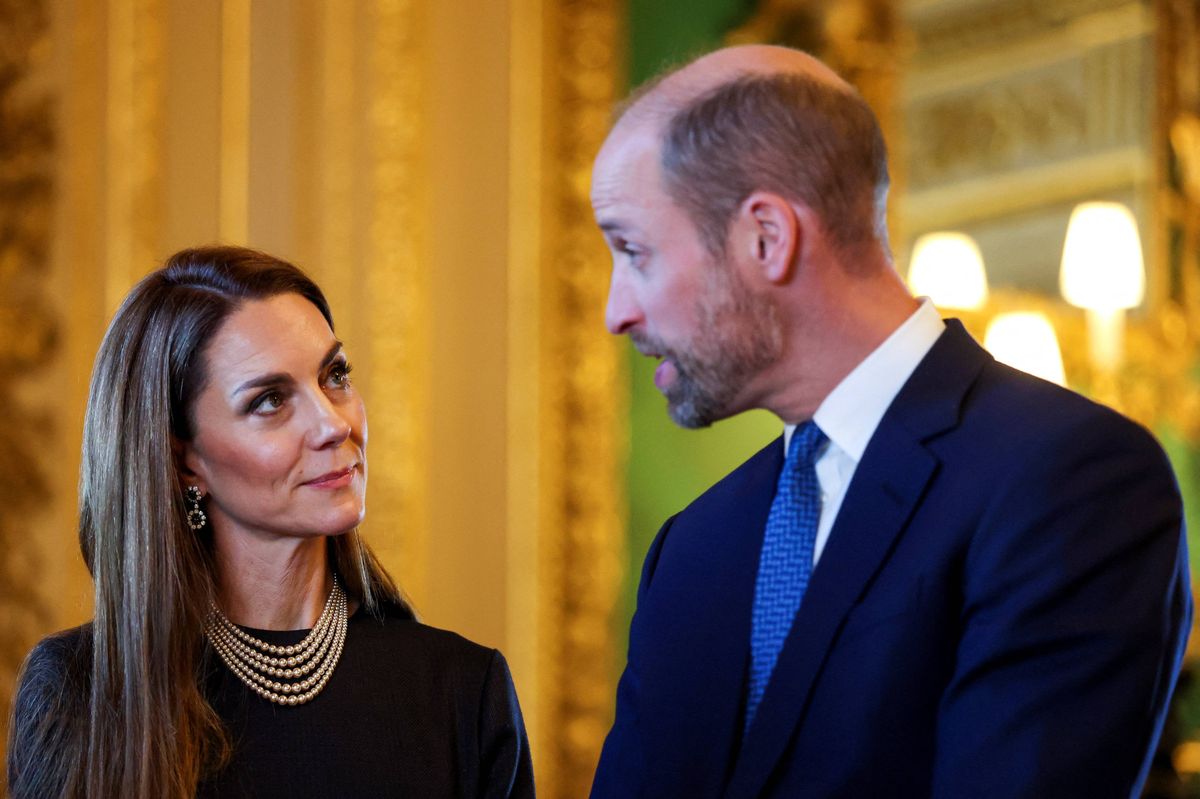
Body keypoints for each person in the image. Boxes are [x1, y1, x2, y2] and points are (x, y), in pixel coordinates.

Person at [589, 44, 1192, 798]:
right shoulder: (694, 546)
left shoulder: (1071, 480)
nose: (618, 313)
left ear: (766, 238)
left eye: (633, 250)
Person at [7, 246, 534, 799]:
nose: (333, 424)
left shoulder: (461, 690)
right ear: (185, 461)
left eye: (335, 375)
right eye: (270, 400)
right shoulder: (81, 692)